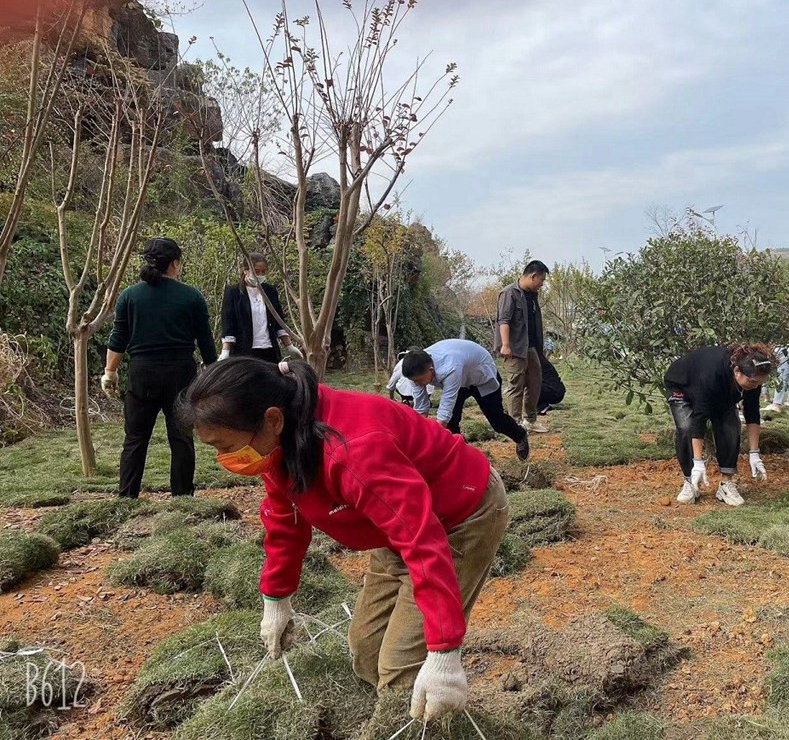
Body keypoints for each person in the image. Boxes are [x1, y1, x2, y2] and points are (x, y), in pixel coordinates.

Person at [182, 358, 508, 721]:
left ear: (272, 419)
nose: (223, 458)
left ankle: (423, 717)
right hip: (394, 522)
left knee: (402, 668)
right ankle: (397, 712)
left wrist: (445, 652)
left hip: (459, 513)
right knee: (366, 650)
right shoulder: (282, 439)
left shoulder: (355, 450)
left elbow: (422, 539)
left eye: (225, 445)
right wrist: (277, 599)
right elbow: (285, 520)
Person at [101, 238, 217, 498]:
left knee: (135, 439)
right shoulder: (192, 297)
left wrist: (110, 372)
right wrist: (214, 374)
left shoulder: (129, 296)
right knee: (181, 439)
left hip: (142, 375)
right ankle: (183, 497)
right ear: (175, 264)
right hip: (181, 376)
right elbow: (206, 342)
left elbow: (118, 339)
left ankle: (127, 497)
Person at [663, 343, 775, 507]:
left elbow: (752, 413)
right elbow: (699, 418)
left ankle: (726, 484)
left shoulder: (753, 378)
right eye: (752, 382)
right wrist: (698, 462)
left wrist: (754, 453)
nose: (756, 386)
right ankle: (690, 481)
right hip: (681, 384)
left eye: (760, 383)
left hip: (717, 387)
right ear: (737, 371)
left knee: (730, 424)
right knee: (686, 427)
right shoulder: (711, 375)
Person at [387, 339, 530, 461]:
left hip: (481, 377)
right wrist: (417, 436)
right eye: (414, 381)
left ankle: (520, 435)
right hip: (461, 380)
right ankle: (464, 456)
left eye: (419, 381)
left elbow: (444, 412)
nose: (417, 384)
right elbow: (421, 408)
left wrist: (429, 443)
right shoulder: (414, 371)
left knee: (497, 421)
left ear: (431, 370)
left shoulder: (450, 367)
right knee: (452, 424)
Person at [495, 260, 549, 434]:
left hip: (531, 347)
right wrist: (505, 345)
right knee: (516, 385)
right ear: (533, 276)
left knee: (535, 382)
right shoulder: (509, 293)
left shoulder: (532, 295)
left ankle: (530, 420)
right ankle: (515, 424)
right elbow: (503, 320)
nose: (542, 284)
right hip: (514, 347)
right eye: (541, 280)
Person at [219, 253, 302, 364]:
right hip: (244, 351)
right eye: (257, 272)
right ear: (246, 271)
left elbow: (279, 321)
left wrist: (290, 346)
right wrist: (225, 351)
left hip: (269, 350)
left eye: (263, 272)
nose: (260, 275)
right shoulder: (233, 292)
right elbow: (228, 323)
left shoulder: (270, 291)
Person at [763, 344, 789, 413]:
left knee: (782, 378)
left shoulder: (767, 351)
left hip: (783, 353)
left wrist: (766, 397)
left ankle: (776, 405)